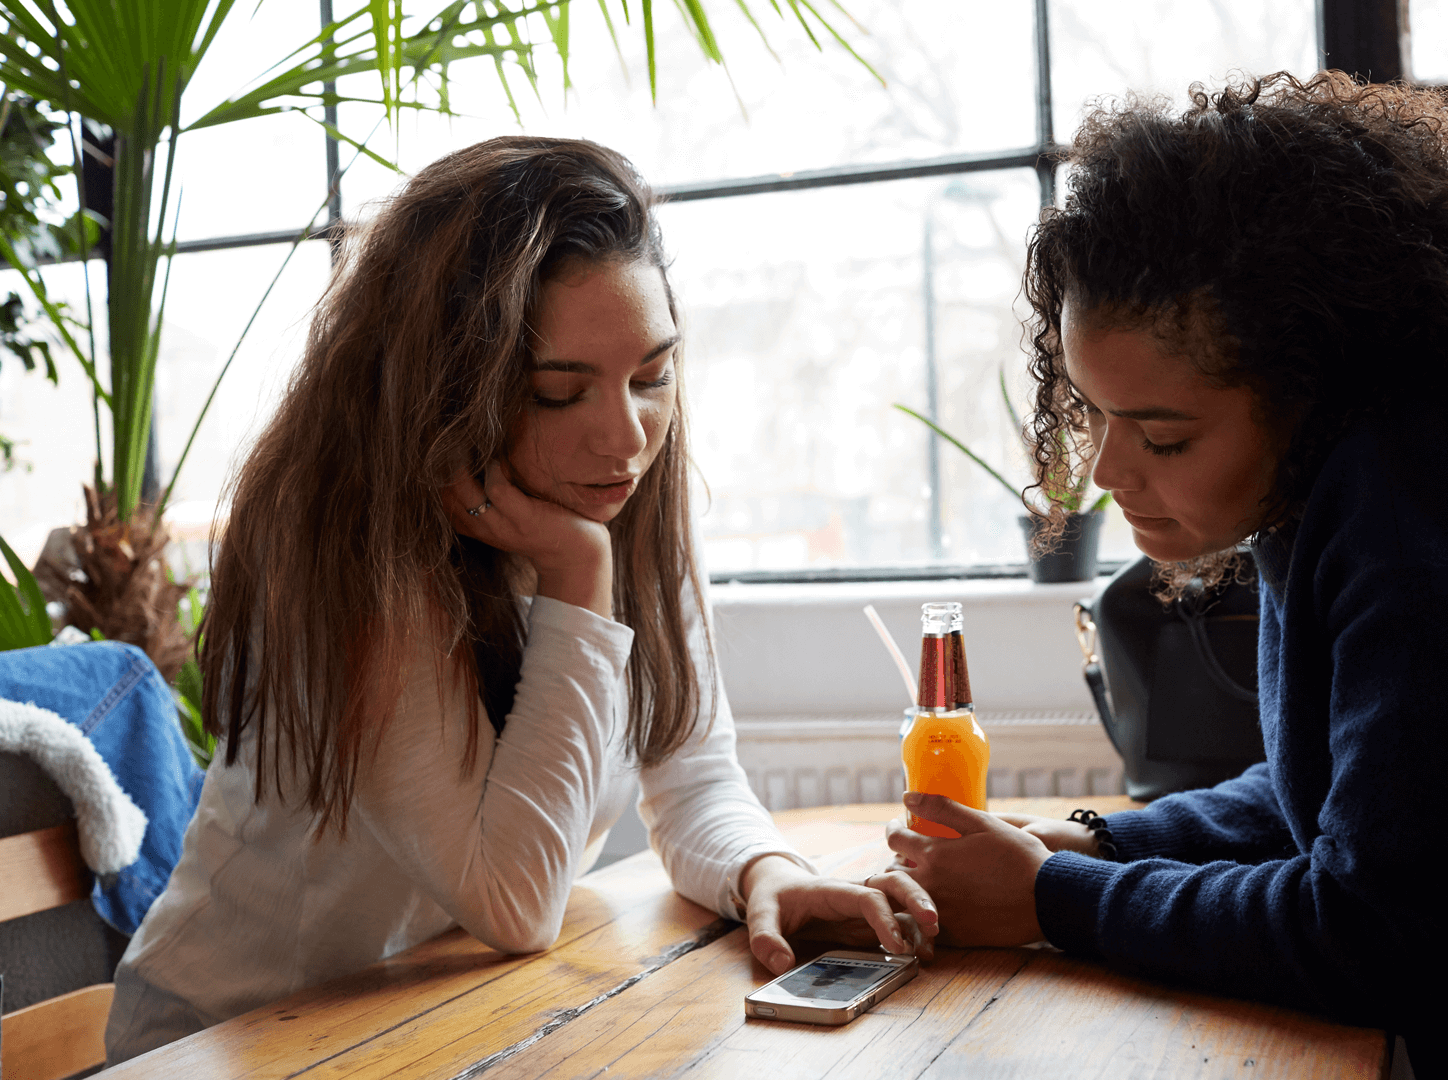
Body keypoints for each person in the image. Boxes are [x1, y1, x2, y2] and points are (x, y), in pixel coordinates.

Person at [887, 74, 1448, 1079]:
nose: (1108, 472)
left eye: (1163, 433)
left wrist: (1054, 901)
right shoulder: (1353, 485)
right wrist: (1098, 842)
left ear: (1311, 387)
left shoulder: (1421, 530)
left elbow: (1382, 932)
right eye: (1096, 415)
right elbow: (1349, 801)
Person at [105, 137, 934, 1063]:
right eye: (556, 393)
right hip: (230, 1040)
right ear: (445, 390)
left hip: (436, 1018)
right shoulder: (358, 555)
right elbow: (515, 901)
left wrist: (764, 870)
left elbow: (692, 776)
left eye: (652, 378)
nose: (625, 438)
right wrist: (576, 576)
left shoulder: (622, 504)